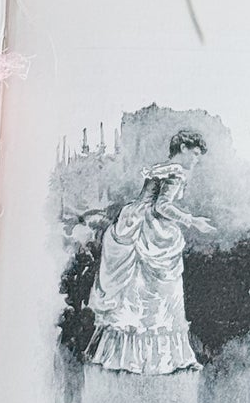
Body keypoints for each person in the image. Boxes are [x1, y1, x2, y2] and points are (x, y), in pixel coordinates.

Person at [79, 129, 215, 375]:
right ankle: (156, 359)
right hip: (152, 230)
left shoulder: (160, 168)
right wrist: (191, 220)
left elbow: (148, 200)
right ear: (183, 148)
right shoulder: (176, 172)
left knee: (134, 292)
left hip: (134, 220)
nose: (196, 160)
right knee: (159, 295)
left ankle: (120, 354)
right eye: (194, 154)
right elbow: (162, 206)